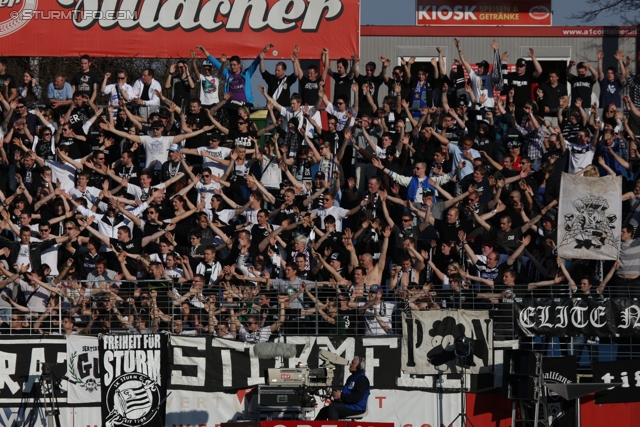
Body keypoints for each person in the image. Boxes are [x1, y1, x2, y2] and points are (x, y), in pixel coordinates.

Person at [315, 356, 370, 420]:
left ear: (359, 366)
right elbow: (345, 393)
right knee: (324, 411)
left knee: (333, 407)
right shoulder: (351, 378)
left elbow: (357, 397)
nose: (350, 364)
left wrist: (341, 396)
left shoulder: (362, 379)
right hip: (349, 404)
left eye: (353, 363)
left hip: (357, 407)